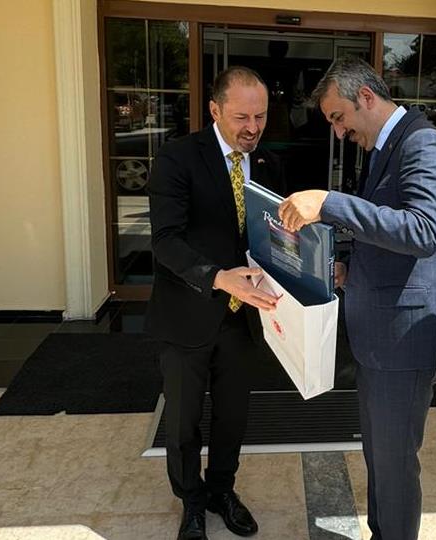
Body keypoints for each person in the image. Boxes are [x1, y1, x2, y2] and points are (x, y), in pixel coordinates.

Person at [278, 57, 436, 540]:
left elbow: (424, 231)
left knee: (394, 464)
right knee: (380, 456)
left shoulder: (424, 144)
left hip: (404, 340)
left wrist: (329, 203)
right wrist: (351, 269)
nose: (339, 132)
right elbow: (387, 235)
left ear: (365, 97)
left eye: (339, 118)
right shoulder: (387, 147)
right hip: (381, 336)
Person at [147, 66, 283, 540]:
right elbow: (165, 240)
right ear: (214, 110)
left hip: (244, 319)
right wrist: (218, 278)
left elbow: (272, 236)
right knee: (183, 421)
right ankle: (191, 501)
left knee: (233, 416)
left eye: (260, 116)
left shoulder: (267, 163)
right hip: (187, 314)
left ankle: (222, 490)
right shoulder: (178, 158)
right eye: (242, 117)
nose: (252, 127)